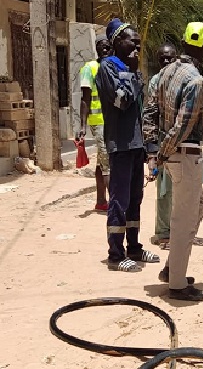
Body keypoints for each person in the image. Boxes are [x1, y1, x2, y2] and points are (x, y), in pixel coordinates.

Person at [145, 22, 203, 301]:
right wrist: (161, 154)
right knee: (183, 220)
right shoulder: (195, 80)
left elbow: (149, 113)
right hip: (184, 154)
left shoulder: (164, 73)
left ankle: (173, 268)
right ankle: (176, 285)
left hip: (173, 154)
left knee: (199, 206)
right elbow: (183, 125)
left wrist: (155, 151)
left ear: (184, 43)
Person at [96, 18, 160, 272]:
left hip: (136, 145)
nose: (135, 42)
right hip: (120, 145)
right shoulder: (107, 67)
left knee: (135, 199)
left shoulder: (131, 67)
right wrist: (133, 74)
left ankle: (134, 247)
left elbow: (141, 109)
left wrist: (149, 147)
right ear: (116, 42)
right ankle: (116, 253)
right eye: (129, 38)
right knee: (119, 200)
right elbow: (121, 102)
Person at [146, 43, 177, 247]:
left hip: (183, 143)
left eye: (169, 57)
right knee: (164, 191)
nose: (166, 61)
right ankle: (164, 232)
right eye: (162, 58)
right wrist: (152, 151)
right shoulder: (155, 82)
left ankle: (181, 231)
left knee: (185, 192)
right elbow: (150, 115)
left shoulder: (184, 79)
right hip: (163, 143)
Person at [77, 36, 113, 211]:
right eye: (101, 48)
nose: (105, 50)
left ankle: (101, 201)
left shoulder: (113, 67)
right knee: (107, 165)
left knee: (101, 161)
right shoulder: (89, 69)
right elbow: (85, 100)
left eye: (108, 48)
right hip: (98, 122)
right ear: (97, 50)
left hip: (112, 122)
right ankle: (115, 207)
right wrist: (82, 126)